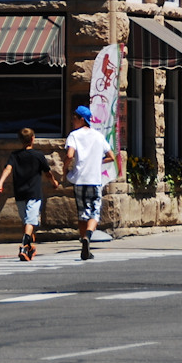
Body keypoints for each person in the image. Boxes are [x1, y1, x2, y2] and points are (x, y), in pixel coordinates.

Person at [0, 126, 61, 261]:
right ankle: (25, 245)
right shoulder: (38, 155)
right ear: (32, 139)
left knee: (26, 221)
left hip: (20, 193)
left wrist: (0, 182)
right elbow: (47, 173)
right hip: (33, 193)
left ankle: (29, 247)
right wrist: (54, 182)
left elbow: (8, 169)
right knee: (30, 221)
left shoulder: (14, 156)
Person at [64, 105, 116, 260]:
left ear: (82, 119)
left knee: (82, 213)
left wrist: (65, 167)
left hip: (79, 180)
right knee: (94, 212)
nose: (73, 121)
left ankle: (83, 243)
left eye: (75, 118)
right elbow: (111, 156)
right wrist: (97, 162)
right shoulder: (98, 136)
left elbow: (70, 154)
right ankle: (87, 236)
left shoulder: (74, 135)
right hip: (94, 180)